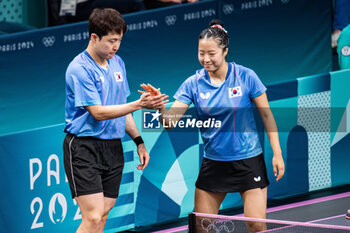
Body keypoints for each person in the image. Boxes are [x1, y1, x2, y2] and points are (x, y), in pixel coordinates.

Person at [141, 19, 285, 232]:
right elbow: (170, 123)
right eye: (201, 53)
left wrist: (277, 153)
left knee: (256, 225)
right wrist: (161, 107)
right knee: (202, 226)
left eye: (211, 53)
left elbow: (267, 116)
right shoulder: (193, 83)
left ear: (225, 51)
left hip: (248, 161)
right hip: (215, 163)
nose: (205, 59)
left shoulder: (246, 76)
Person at [63, 8, 168, 233]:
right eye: (111, 40)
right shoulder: (79, 69)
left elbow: (122, 107)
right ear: (94, 37)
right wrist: (140, 104)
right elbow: (98, 112)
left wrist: (139, 140)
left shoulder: (118, 63)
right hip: (84, 147)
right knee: (91, 216)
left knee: (102, 215)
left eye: (119, 40)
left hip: (112, 147)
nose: (116, 46)